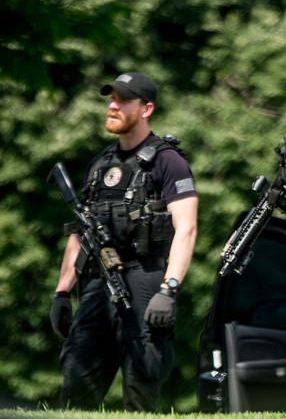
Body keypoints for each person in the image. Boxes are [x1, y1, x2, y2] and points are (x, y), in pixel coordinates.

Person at [49, 72, 198, 411]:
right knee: (75, 388)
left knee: (141, 386)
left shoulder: (168, 161)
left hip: (145, 279)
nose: (112, 106)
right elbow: (80, 231)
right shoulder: (100, 164)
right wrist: (61, 292)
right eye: (110, 99)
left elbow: (186, 229)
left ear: (146, 109)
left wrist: (169, 288)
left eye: (122, 100)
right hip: (96, 286)